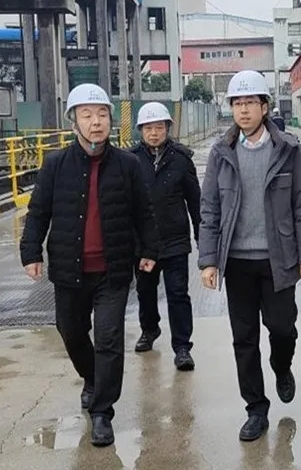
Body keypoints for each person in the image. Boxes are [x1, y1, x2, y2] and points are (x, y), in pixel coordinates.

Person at [19, 83, 160, 448]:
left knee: (109, 338)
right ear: (74, 122)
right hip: (70, 270)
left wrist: (149, 249)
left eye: (101, 115)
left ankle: (102, 413)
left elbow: (143, 212)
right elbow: (38, 212)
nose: (96, 122)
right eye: (87, 115)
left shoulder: (127, 165)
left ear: (111, 120)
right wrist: (31, 251)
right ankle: (93, 378)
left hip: (113, 270)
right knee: (71, 331)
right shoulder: (56, 165)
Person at [198, 69, 301, 442]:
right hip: (237, 263)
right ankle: (255, 409)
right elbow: (209, 208)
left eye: (251, 102)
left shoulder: (288, 150)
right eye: (237, 103)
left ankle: (281, 366)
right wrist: (208, 259)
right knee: (244, 338)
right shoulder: (221, 152)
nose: (244, 110)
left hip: (278, 259)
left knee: (282, 328)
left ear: (264, 107)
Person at [130, 102, 201, 371]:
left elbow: (195, 202)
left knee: (178, 294)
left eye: (159, 127)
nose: (154, 133)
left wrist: (202, 238)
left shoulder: (181, 159)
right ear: (140, 130)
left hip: (175, 240)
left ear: (167, 129)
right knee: (145, 292)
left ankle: (182, 347)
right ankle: (149, 329)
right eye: (148, 128)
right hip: (143, 243)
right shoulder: (131, 160)